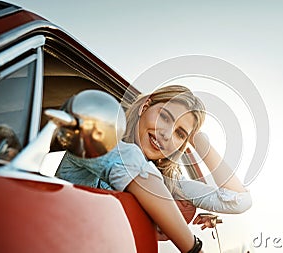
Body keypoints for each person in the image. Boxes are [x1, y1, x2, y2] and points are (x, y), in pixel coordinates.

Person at [56, 85, 251, 252]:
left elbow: (239, 200)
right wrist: (193, 249)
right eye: (164, 117)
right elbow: (133, 167)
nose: (166, 134)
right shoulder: (94, 144)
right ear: (145, 106)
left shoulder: (168, 183)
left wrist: (199, 142)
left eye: (180, 134)